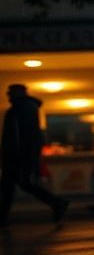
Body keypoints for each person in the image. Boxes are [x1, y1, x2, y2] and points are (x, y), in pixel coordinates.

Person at [0, 84, 69, 224]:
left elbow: (18, 135)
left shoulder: (19, 109)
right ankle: (57, 203)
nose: (8, 96)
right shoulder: (26, 107)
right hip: (21, 154)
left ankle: (57, 203)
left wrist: (13, 153)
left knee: (11, 185)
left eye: (10, 93)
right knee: (18, 184)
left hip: (17, 155)